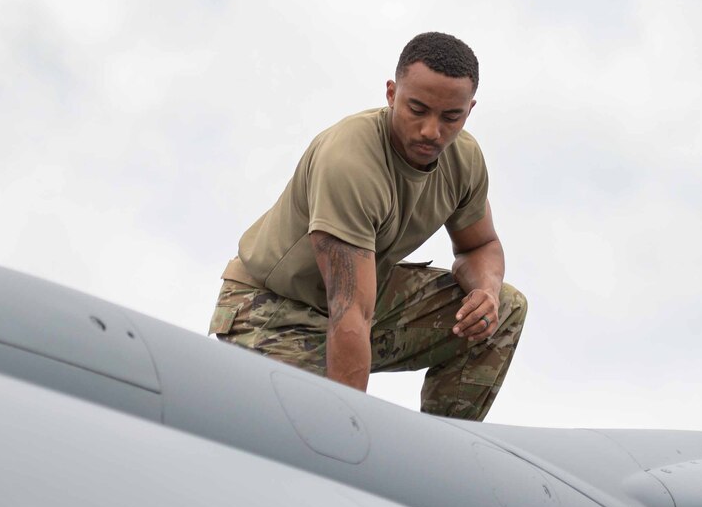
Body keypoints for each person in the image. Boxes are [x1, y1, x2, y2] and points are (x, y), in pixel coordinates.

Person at [208, 31, 526, 420]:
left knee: (506, 307)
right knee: (305, 430)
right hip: (273, 309)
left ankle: (441, 455)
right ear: (392, 94)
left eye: (450, 117)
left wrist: (486, 293)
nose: (431, 131)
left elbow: (480, 247)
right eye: (417, 109)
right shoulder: (350, 162)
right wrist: (349, 431)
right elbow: (350, 312)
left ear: (469, 110)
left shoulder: (465, 161)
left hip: (361, 305)